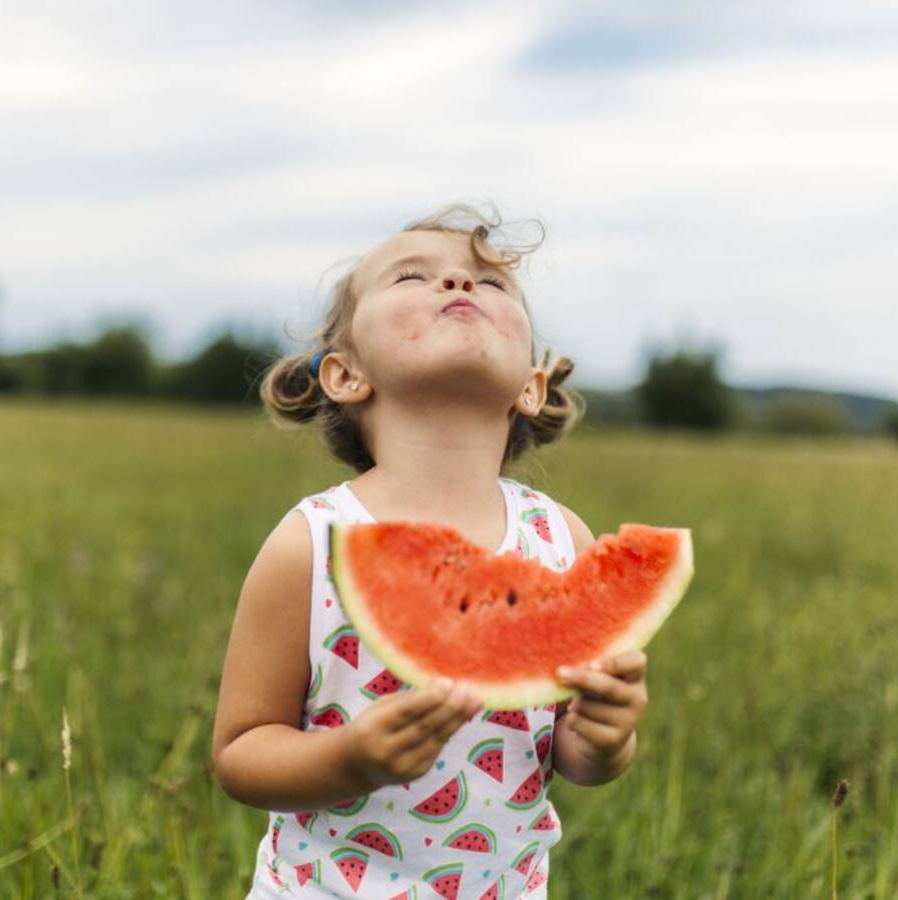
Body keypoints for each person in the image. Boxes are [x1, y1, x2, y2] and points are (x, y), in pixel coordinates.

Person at [212, 202, 650, 898]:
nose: (459, 286)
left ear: (531, 387)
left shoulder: (563, 540)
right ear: (344, 374)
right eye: (413, 276)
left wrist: (604, 740)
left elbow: (569, 756)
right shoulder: (312, 543)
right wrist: (348, 759)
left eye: (492, 283)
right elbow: (239, 753)